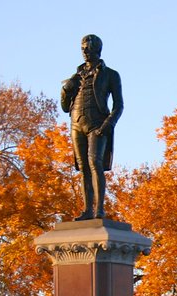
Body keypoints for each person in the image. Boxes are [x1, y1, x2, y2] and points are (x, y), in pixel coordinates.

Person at [61, 34, 123, 220]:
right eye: (83, 49)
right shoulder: (76, 76)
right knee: (83, 167)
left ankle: (99, 210)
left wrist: (108, 124)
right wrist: (65, 90)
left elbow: (118, 105)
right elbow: (65, 108)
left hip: (97, 124)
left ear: (97, 49)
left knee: (95, 162)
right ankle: (87, 210)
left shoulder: (110, 74)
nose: (85, 52)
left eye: (88, 48)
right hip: (76, 123)